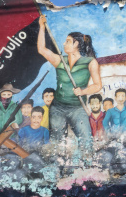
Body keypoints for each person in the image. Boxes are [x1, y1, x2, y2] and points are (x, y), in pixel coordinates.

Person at [37, 15, 102, 149]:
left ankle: (87, 167)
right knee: (56, 142)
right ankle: (56, 167)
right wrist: (42, 27)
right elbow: (41, 49)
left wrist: (83, 91)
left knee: (85, 140)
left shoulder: (90, 62)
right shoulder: (59, 60)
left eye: (67, 41)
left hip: (78, 108)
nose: (63, 44)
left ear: (76, 44)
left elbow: (97, 85)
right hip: (58, 108)